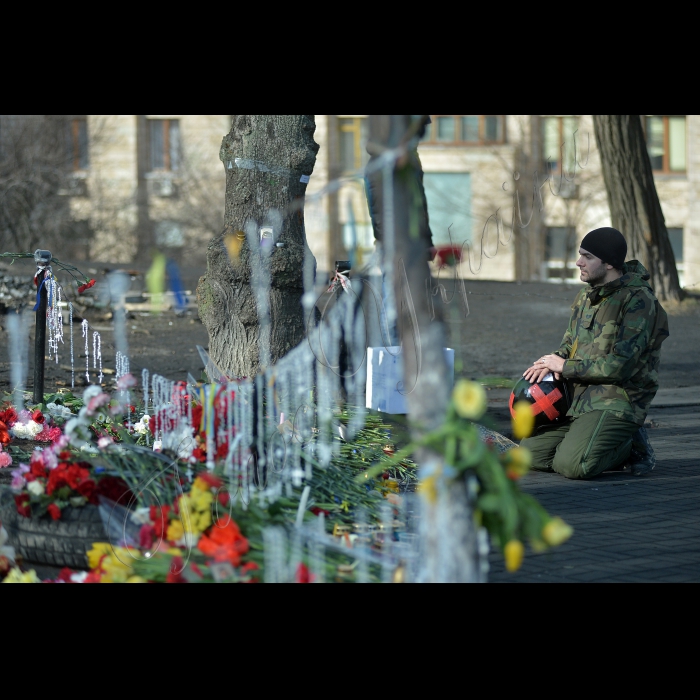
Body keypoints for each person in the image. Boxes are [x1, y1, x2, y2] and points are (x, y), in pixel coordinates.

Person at [520, 227, 669, 479]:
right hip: (578, 399)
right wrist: (549, 361)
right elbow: (569, 345)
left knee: (572, 466)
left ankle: (629, 445)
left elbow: (621, 366)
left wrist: (565, 367)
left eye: (587, 256)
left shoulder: (638, 301)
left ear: (609, 263)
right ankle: (593, 442)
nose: (578, 262)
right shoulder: (585, 296)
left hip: (618, 400)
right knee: (526, 455)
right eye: (580, 255)